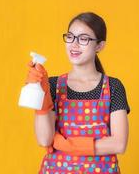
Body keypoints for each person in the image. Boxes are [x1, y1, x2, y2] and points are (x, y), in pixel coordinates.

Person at [26, 12, 130, 174]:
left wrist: (70, 145)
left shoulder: (113, 87)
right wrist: (41, 94)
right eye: (70, 37)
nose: (74, 44)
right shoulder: (53, 85)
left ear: (99, 46)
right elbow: (44, 139)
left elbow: (119, 144)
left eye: (83, 39)